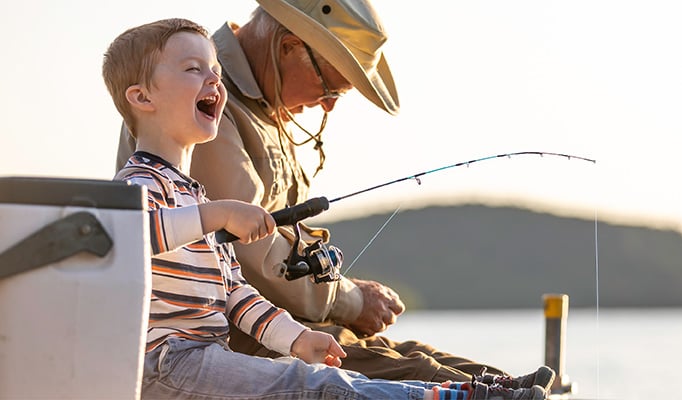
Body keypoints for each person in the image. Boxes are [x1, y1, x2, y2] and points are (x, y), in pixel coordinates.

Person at [115, 0, 556, 393]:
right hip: (220, 353)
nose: (327, 105)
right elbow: (250, 256)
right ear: (289, 46)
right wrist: (350, 300)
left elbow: (233, 281)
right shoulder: (195, 110)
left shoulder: (225, 100)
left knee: (428, 359)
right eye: (331, 85)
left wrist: (312, 323)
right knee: (416, 373)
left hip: (280, 327)